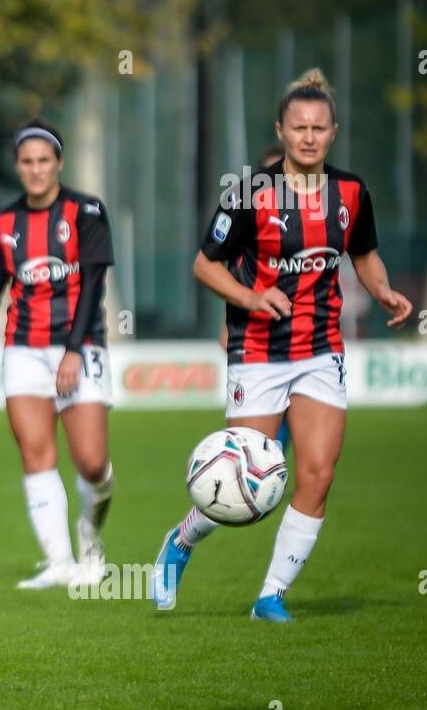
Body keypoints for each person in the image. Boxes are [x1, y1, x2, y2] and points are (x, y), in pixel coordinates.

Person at [151, 69, 412, 621]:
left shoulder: (350, 192)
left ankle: (270, 596)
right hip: (258, 353)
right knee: (241, 482)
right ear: (281, 130)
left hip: (322, 350)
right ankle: (181, 540)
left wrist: (384, 291)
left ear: (334, 131)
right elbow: (205, 265)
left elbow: (362, 253)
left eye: (319, 127)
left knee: (318, 473)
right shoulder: (250, 193)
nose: (309, 137)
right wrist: (249, 298)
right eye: (299, 128)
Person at [0, 120, 116, 589]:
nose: (36, 169)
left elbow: (93, 286)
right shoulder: (4, 223)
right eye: (27, 161)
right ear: (18, 166)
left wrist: (72, 351)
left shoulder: (87, 212)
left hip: (79, 346)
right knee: (36, 452)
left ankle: (90, 536)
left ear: (59, 164)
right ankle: (59, 562)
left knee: (91, 462)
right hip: (22, 348)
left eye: (44, 160)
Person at [219, 143, 291, 452]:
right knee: (255, 453)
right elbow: (222, 275)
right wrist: (228, 327)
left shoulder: (317, 220)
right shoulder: (246, 227)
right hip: (258, 344)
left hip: (307, 345)